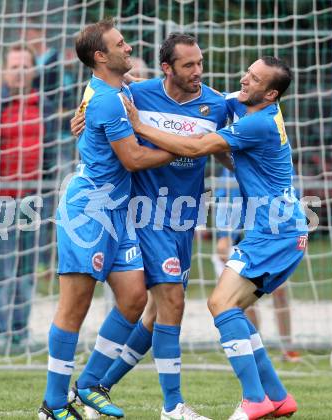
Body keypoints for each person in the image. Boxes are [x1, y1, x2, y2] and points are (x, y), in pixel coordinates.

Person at [124, 56, 307, 419]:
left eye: (254, 79)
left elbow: (194, 147)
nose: (245, 79)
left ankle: (255, 399)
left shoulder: (259, 123)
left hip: (275, 231)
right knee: (232, 307)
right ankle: (277, 395)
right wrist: (129, 80)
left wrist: (138, 123)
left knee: (220, 304)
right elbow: (208, 103)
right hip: (281, 229)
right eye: (248, 72)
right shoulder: (249, 104)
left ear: (270, 93)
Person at [71, 33, 230, 420]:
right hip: (146, 213)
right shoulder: (135, 94)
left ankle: (93, 388)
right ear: (167, 68)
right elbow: (96, 105)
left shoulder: (217, 105)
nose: (197, 71)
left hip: (184, 218)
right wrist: (78, 118)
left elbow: (230, 148)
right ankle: (172, 406)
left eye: (200, 63)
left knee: (157, 314)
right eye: (188, 65)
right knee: (172, 302)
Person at [38, 19, 176, 420]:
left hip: (118, 210)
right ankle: (53, 404)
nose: (129, 47)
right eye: (120, 43)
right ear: (101, 56)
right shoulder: (107, 100)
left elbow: (92, 121)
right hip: (89, 212)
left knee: (134, 298)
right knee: (73, 308)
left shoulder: (115, 90)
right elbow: (132, 159)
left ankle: (90, 384)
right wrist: (191, 149)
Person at [0, 44, 56, 350]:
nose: (19, 72)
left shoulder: (47, 107)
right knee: (0, 266)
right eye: (13, 67)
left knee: (27, 267)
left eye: (24, 66)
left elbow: (52, 153)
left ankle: (19, 329)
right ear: (6, 71)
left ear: (33, 70)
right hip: (0, 199)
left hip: (33, 199)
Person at [213, 167, 300, 362]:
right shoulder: (233, 165)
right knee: (241, 297)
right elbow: (225, 199)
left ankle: (288, 347)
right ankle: (254, 348)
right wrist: (224, 236)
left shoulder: (277, 159)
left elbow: (291, 196)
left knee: (280, 290)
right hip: (241, 236)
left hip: (270, 234)